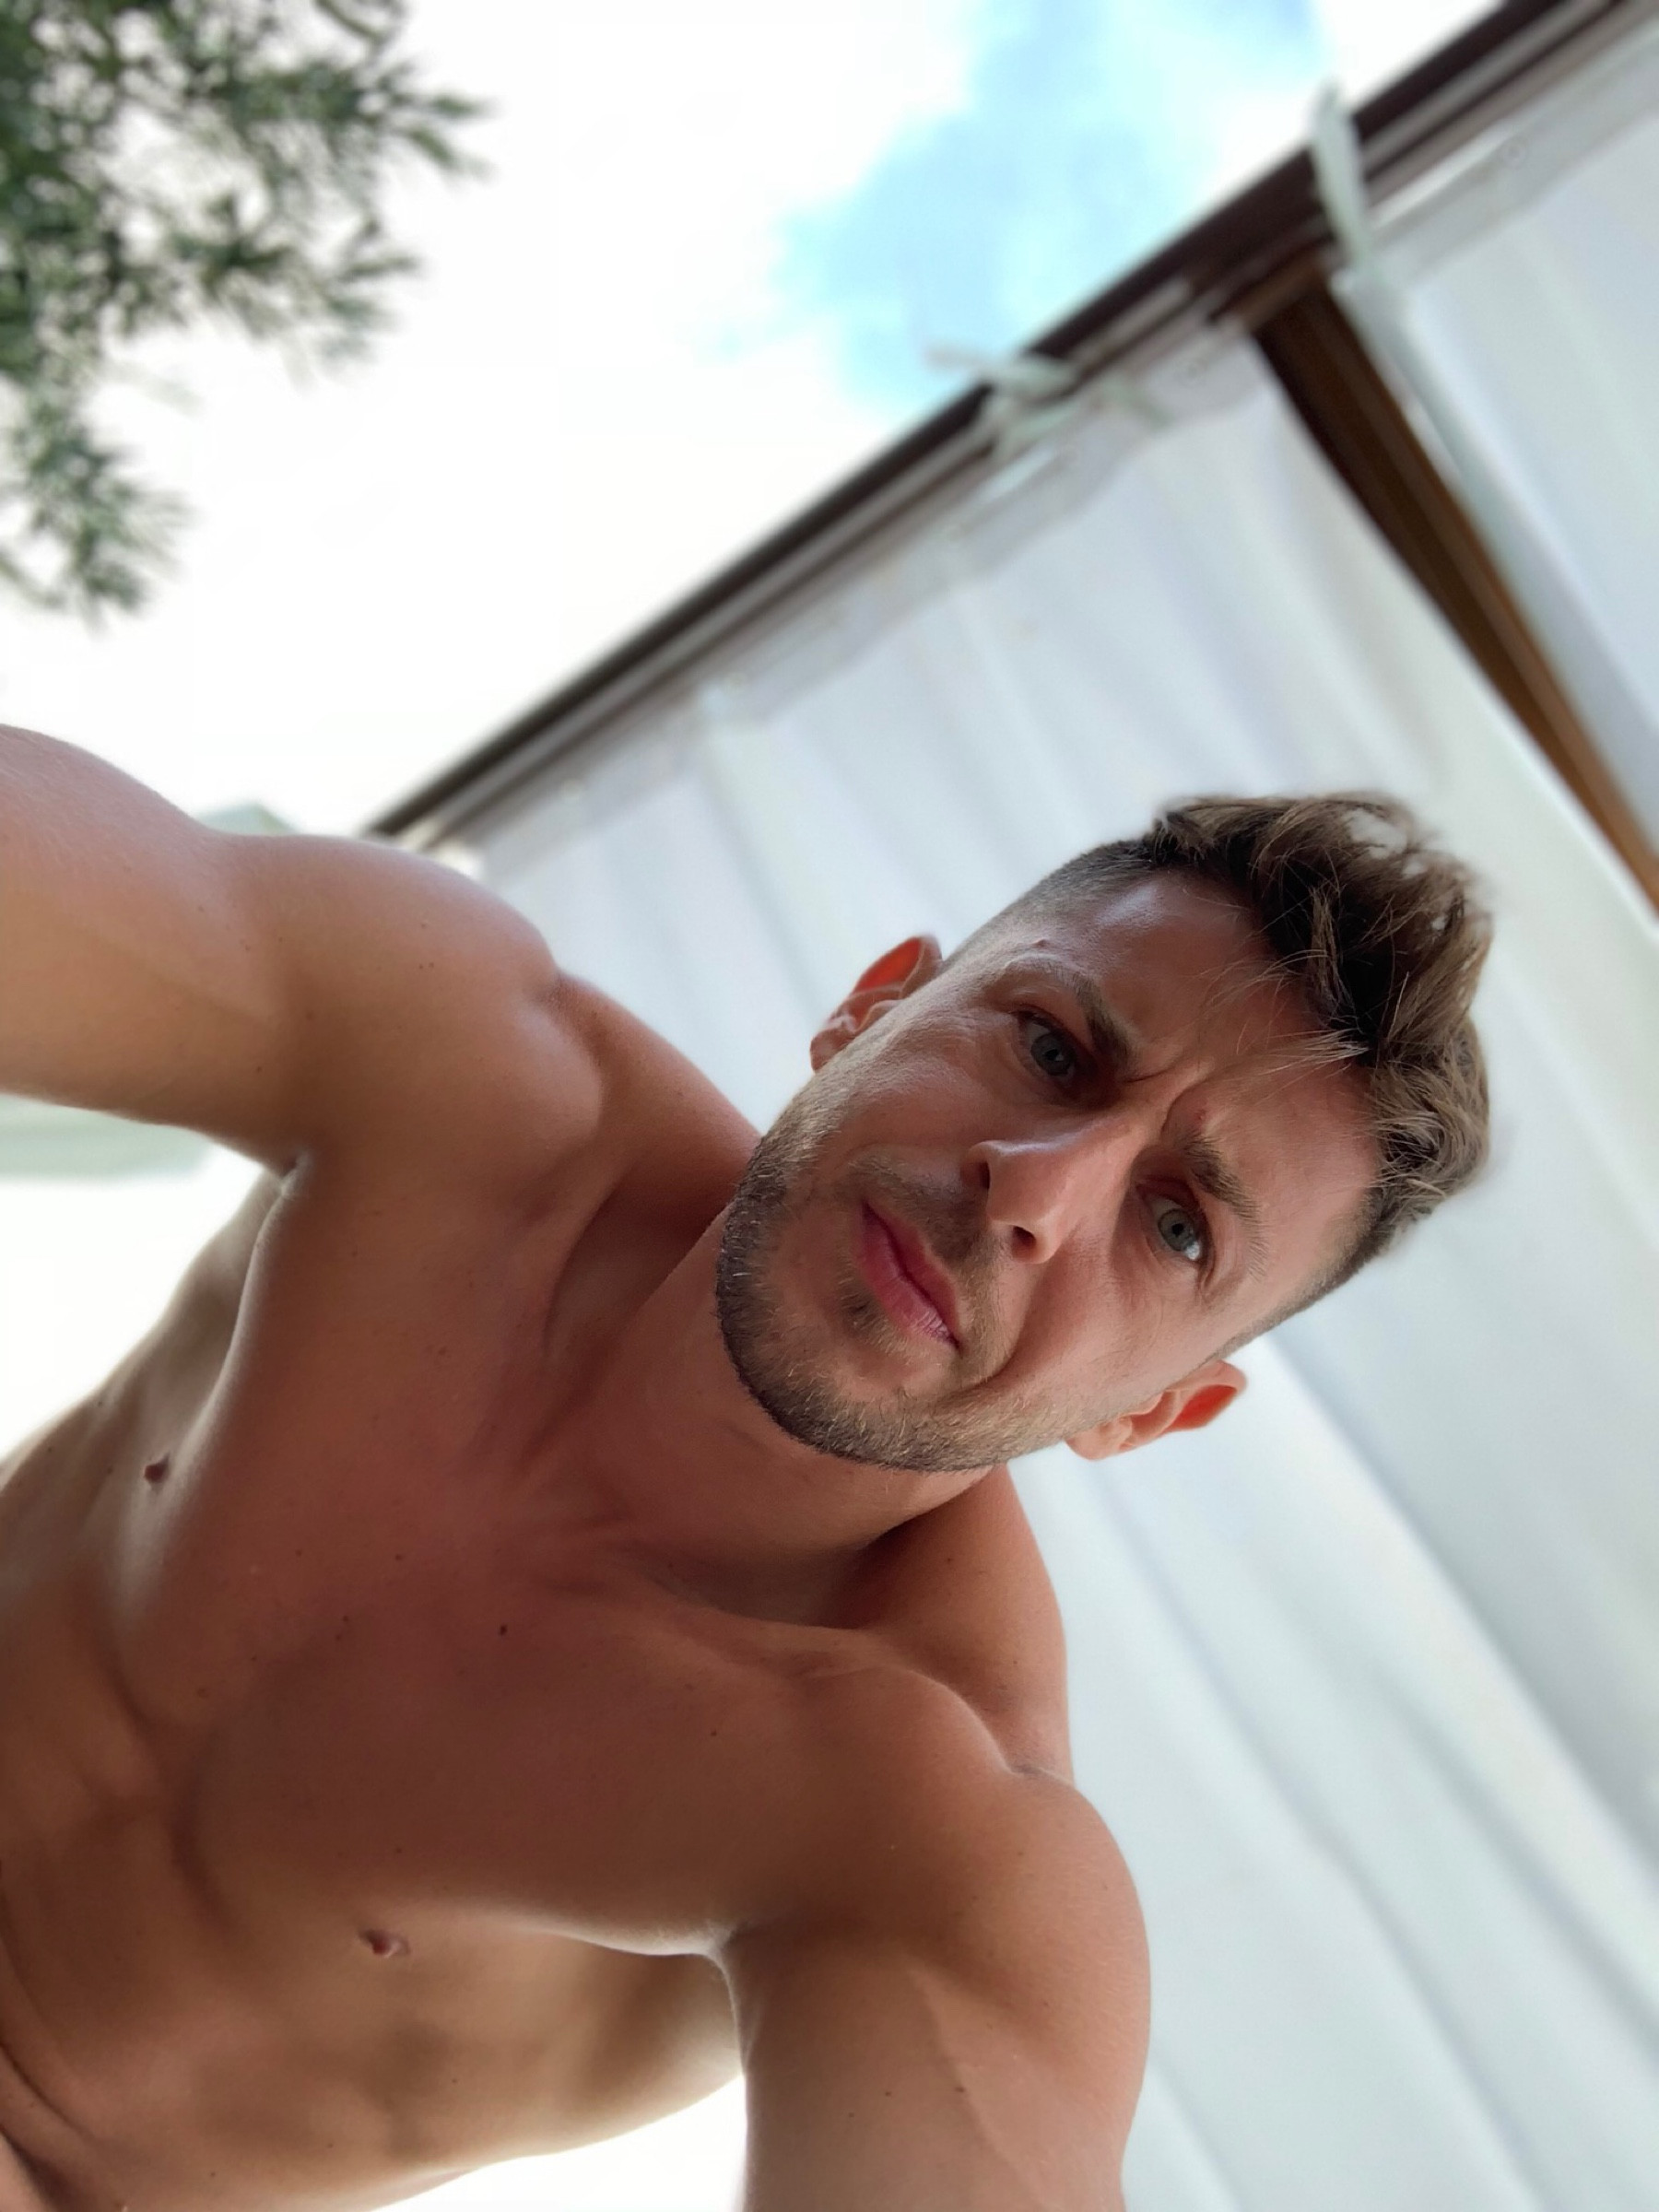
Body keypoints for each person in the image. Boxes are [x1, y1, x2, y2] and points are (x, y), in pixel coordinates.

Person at [0, 724, 1490, 2212]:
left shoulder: (915, 1820)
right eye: (1050, 1048)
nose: (1033, 1194)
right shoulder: (460, 1078)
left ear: (1151, 1413)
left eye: (1174, 1227)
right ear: (870, 1008)